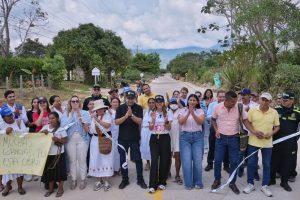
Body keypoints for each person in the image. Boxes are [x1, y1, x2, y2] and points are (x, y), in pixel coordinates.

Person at [211, 91, 256, 195]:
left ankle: (232, 182)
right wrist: (216, 129)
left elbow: (245, 121)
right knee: (217, 160)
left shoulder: (239, 107)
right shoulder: (218, 107)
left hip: (234, 138)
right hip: (220, 138)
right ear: (225, 100)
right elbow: (213, 119)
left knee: (234, 162)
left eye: (235, 101)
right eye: (232, 102)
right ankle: (217, 179)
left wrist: (253, 131)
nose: (234, 103)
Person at [242, 92, 280, 197]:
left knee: (267, 164)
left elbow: (277, 126)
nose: (264, 101)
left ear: (270, 102)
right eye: (262, 99)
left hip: (267, 143)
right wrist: (254, 132)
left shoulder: (274, 112)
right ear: (259, 99)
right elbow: (246, 122)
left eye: (266, 100)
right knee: (251, 163)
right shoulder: (253, 110)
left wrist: (271, 133)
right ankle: (250, 184)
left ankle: (265, 186)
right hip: (253, 141)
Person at [115, 90, 147, 190]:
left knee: (138, 159)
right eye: (128, 98)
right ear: (125, 98)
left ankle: (140, 179)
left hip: (134, 139)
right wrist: (126, 116)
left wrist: (132, 115)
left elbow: (140, 121)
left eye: (132, 98)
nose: (130, 100)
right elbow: (116, 122)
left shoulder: (138, 108)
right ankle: (125, 179)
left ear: (135, 98)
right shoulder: (120, 108)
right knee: (123, 160)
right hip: (122, 139)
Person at [270, 92, 300, 192]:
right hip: (276, 141)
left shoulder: (298, 111)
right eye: (283, 99)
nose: (283, 101)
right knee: (274, 161)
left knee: (288, 162)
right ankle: (272, 179)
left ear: (292, 100)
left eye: (286, 100)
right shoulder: (276, 110)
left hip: (290, 143)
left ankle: (284, 182)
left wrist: (297, 137)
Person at [61, 95, 91, 190]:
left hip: (83, 139)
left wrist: (80, 117)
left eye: (76, 101)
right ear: (70, 103)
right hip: (70, 140)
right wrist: (71, 115)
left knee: (82, 160)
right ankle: (73, 179)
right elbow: (63, 127)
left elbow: (87, 128)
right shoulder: (65, 114)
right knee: (72, 161)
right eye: (72, 101)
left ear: (79, 102)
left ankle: (83, 179)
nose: (75, 103)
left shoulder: (85, 113)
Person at [178, 94, 205, 190]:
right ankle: (188, 183)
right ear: (187, 101)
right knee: (186, 161)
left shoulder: (200, 111)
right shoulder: (182, 110)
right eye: (190, 100)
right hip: (185, 137)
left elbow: (200, 122)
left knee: (197, 161)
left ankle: (198, 182)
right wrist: (188, 113)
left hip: (198, 137)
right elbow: (181, 122)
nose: (192, 102)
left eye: (194, 100)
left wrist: (193, 113)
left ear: (197, 102)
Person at [0, 106, 27, 196]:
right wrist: (4, 132)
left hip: (19, 150)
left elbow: (25, 133)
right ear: (3, 118)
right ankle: (8, 186)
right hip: (7, 153)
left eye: (11, 115)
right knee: (8, 171)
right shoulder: (1, 125)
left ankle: (20, 187)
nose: (11, 117)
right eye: (8, 116)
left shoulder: (19, 121)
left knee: (20, 169)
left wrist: (17, 133)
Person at [148, 95, 172, 193]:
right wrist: (153, 119)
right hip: (154, 138)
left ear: (163, 103)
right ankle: (152, 184)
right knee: (154, 160)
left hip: (165, 137)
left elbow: (169, 128)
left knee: (164, 160)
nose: (158, 103)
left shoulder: (168, 112)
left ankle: (162, 182)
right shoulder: (151, 112)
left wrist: (166, 120)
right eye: (157, 101)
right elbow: (150, 128)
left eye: (160, 101)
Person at [89, 99, 114, 192]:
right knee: (96, 159)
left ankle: (107, 181)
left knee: (106, 158)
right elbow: (91, 130)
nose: (99, 110)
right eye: (98, 109)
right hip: (95, 140)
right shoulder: (93, 116)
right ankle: (99, 180)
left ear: (104, 109)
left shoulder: (107, 115)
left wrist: (96, 119)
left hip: (105, 139)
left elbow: (107, 126)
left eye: (101, 109)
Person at [41, 112, 67, 198]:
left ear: (57, 119)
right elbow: (39, 139)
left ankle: (60, 189)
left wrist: (57, 139)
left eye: (53, 118)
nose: (51, 120)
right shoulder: (45, 128)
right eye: (50, 118)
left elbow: (65, 141)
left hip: (58, 154)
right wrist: (42, 133)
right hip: (48, 154)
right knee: (49, 172)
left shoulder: (61, 129)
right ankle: (51, 189)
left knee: (60, 172)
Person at [204, 90, 229, 173]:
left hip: (225, 128)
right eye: (220, 96)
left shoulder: (228, 105)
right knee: (212, 146)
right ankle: (210, 164)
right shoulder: (212, 105)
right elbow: (208, 116)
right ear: (217, 97)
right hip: (214, 128)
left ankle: (226, 165)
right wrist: (216, 114)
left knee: (226, 147)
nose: (222, 98)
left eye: (223, 96)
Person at [238, 88, 259, 178]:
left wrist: (248, 111)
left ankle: (255, 172)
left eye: (244, 95)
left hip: (252, 132)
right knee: (240, 153)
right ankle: (240, 170)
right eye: (241, 95)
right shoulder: (238, 105)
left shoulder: (256, 105)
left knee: (253, 154)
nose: (242, 96)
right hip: (241, 132)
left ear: (249, 95)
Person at [168, 98, 184, 185]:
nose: (173, 104)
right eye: (172, 103)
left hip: (178, 137)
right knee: (168, 155)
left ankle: (177, 175)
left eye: (175, 103)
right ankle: (168, 172)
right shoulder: (166, 111)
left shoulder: (182, 111)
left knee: (178, 156)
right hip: (168, 137)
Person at [140, 98, 155, 171]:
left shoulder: (156, 111)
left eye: (153, 102)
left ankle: (154, 163)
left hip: (153, 131)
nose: (151, 104)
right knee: (145, 147)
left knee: (152, 147)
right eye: (150, 102)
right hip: (145, 130)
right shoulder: (144, 111)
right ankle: (148, 163)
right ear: (148, 104)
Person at [108, 97, 121, 174]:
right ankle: (112, 168)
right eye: (113, 102)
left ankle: (119, 168)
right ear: (111, 103)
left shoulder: (121, 111)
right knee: (113, 151)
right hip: (112, 134)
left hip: (120, 133)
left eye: (117, 102)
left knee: (119, 151)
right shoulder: (108, 112)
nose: (115, 104)